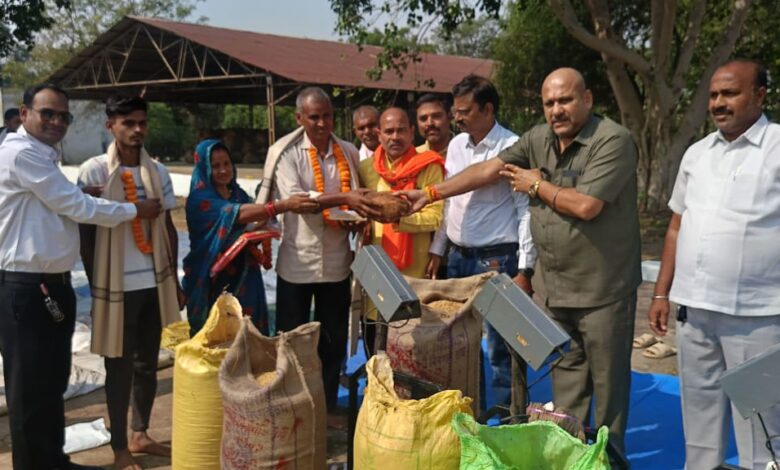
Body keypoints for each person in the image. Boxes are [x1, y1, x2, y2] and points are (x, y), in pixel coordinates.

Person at [403, 68, 641, 453]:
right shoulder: (537, 138)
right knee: (566, 382)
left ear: (587, 99)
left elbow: (586, 205)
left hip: (603, 289)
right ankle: (571, 455)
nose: (556, 110)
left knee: (609, 385)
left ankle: (609, 458)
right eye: (549, 103)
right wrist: (430, 193)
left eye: (564, 100)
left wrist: (535, 185)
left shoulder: (612, 140)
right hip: (555, 288)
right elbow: (487, 170)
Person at [0, 83, 161, 469]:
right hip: (26, 286)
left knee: (52, 382)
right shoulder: (21, 153)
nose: (57, 122)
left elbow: (61, 200)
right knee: (28, 387)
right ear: (24, 114)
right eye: (47, 114)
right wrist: (133, 210)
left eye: (64, 116)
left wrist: (85, 195)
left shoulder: (46, 156)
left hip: (53, 282)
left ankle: (52, 459)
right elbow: (74, 205)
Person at [648, 59, 780, 470]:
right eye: (714, 95)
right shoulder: (696, 153)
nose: (719, 103)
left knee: (761, 430)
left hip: (757, 316)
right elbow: (676, 226)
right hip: (695, 314)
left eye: (730, 93)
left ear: (760, 95)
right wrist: (661, 292)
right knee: (699, 424)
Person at [77, 95, 182, 470]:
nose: (137, 130)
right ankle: (120, 448)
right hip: (115, 286)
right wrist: (95, 285)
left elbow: (168, 226)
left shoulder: (159, 172)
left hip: (153, 283)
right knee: (117, 368)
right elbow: (86, 234)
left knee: (147, 364)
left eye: (141, 122)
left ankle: (141, 432)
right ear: (111, 126)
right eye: (128, 123)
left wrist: (175, 278)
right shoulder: (94, 172)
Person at [426, 75, 536, 412]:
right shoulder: (457, 145)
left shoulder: (512, 146)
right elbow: (451, 201)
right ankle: (470, 415)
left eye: (465, 111)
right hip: (459, 260)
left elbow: (525, 211)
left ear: (488, 109)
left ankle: (505, 424)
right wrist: (438, 248)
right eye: (455, 111)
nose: (457, 118)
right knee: (461, 344)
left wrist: (525, 269)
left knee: (501, 350)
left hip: (497, 261)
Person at [269, 87, 380, 422]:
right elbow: (298, 202)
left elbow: (356, 202)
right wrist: (345, 197)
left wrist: (355, 218)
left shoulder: (347, 151)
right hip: (297, 265)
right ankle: (291, 407)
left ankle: (328, 406)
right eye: (313, 117)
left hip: (335, 264)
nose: (321, 123)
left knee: (331, 343)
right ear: (299, 118)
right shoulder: (285, 153)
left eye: (327, 116)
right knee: (292, 340)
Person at [182, 138, 317, 335]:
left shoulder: (238, 193)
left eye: (226, 164)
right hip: (212, 279)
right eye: (216, 165)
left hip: (245, 274)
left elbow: (253, 221)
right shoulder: (200, 199)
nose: (223, 170)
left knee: (249, 331)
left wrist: (268, 214)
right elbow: (236, 214)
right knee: (218, 335)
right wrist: (282, 205)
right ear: (204, 168)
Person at [358, 107, 444, 349]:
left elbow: (435, 216)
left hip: (413, 272)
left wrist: (397, 218)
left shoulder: (428, 166)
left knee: (409, 348)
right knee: (373, 343)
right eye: (389, 131)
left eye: (401, 130)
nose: (395, 137)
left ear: (412, 132)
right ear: (379, 134)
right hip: (376, 270)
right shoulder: (366, 169)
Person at [415, 93, 453, 158]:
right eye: (423, 119)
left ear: (449, 117)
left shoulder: (465, 152)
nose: (430, 123)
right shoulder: (414, 156)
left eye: (436, 116)